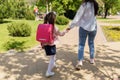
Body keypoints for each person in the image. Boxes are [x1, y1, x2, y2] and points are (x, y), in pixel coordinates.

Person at [67, 0, 99, 70]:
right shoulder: (95, 4)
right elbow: (94, 16)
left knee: (81, 44)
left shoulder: (84, 5)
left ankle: (80, 61)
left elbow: (77, 16)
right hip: (93, 27)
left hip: (84, 27)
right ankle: (92, 59)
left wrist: (70, 26)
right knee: (91, 43)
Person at [41, 12, 67, 77]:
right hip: (51, 44)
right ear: (53, 19)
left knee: (54, 54)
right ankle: (48, 72)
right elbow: (61, 34)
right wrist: (65, 31)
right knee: (52, 58)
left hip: (45, 44)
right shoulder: (54, 27)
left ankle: (54, 64)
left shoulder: (44, 25)